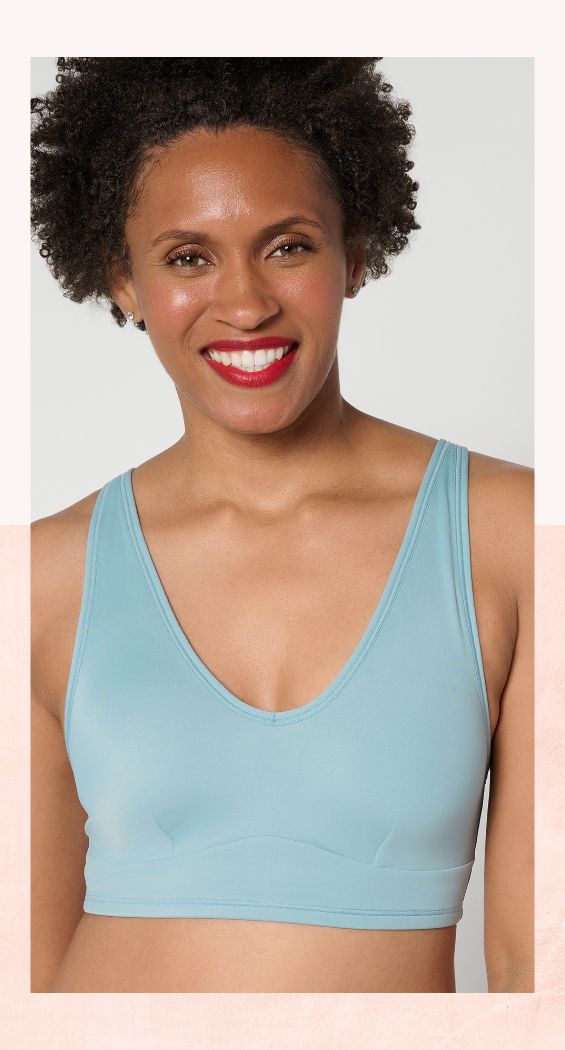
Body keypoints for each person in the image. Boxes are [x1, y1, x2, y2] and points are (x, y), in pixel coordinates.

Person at [30, 57, 533, 993]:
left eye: (288, 246)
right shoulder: (42, 576)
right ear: (123, 281)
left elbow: (533, 967)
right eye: (187, 258)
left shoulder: (514, 536)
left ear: (355, 253)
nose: (246, 304)